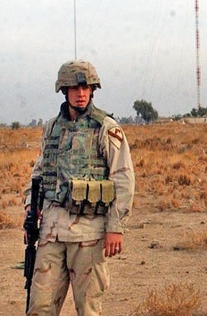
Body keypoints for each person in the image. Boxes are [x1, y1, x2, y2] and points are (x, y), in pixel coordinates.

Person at [24, 59, 135, 316]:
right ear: (64, 91)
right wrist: (31, 209)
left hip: (88, 234)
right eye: (75, 88)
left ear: (93, 90)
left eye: (86, 88)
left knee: (88, 309)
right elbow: (39, 174)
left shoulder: (105, 127)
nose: (81, 93)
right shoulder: (52, 127)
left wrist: (115, 228)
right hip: (51, 234)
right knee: (39, 306)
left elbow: (123, 178)